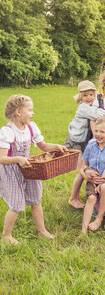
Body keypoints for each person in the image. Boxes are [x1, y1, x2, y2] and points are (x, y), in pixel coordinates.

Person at [0, 94, 67, 245]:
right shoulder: (7, 131)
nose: (32, 113)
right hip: (12, 171)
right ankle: (6, 235)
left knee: (36, 200)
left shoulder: (30, 127)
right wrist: (18, 159)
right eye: (30, 110)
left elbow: (43, 146)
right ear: (18, 112)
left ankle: (42, 230)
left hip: (30, 168)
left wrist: (56, 146)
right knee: (16, 204)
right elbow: (2, 158)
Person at [65, 80, 105, 208]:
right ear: (80, 96)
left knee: (83, 170)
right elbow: (97, 115)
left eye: (91, 94)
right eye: (85, 95)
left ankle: (76, 197)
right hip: (76, 141)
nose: (89, 97)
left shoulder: (90, 106)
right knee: (82, 170)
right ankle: (73, 198)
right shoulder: (83, 107)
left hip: (83, 140)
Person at [80, 117, 105, 234]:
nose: (98, 134)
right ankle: (83, 228)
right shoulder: (90, 146)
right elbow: (84, 165)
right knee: (91, 198)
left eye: (102, 132)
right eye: (96, 131)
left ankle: (99, 218)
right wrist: (87, 172)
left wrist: (101, 183)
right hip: (93, 177)